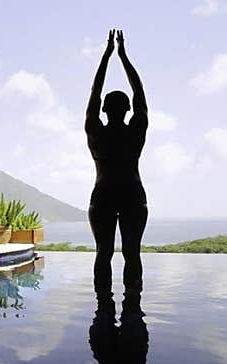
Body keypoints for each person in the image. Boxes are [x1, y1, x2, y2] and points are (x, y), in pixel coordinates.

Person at [86, 29, 149, 297]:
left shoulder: (95, 131)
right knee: (132, 253)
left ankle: (103, 307)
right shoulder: (136, 130)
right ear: (128, 109)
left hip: (103, 195)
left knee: (104, 253)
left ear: (103, 110)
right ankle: (133, 306)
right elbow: (140, 91)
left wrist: (107, 56)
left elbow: (94, 91)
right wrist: (122, 56)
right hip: (133, 194)